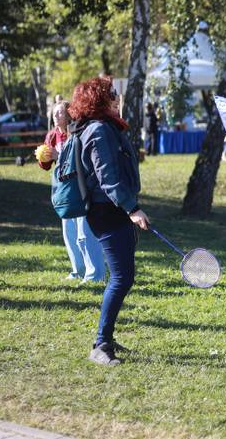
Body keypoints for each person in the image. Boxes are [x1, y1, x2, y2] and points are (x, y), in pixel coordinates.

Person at [70, 77, 150, 366]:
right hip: (108, 211)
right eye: (111, 93)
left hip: (113, 209)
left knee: (123, 277)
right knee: (121, 278)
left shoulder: (104, 127)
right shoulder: (99, 130)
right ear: (99, 99)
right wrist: (132, 209)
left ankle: (106, 338)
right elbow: (108, 179)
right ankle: (101, 344)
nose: (117, 97)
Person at [37, 101, 106, 284]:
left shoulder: (77, 132)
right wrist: (43, 157)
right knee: (69, 233)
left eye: (60, 112)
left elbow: (79, 160)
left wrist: (58, 156)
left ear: (69, 115)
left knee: (84, 233)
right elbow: (45, 165)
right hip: (64, 190)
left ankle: (94, 274)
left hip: (81, 187)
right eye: (54, 113)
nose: (55, 116)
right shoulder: (52, 135)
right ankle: (78, 270)